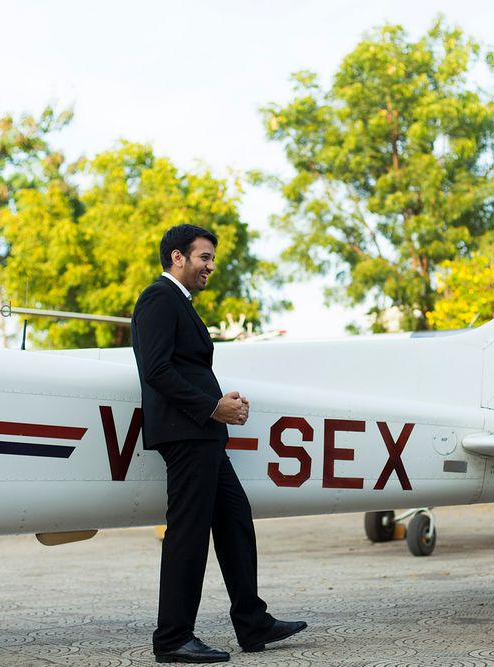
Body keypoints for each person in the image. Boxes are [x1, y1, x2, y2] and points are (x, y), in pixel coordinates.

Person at [131, 224, 307, 663]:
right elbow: (155, 370)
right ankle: (172, 638)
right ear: (177, 257)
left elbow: (182, 368)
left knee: (234, 519)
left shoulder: (180, 303)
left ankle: (252, 622)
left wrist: (219, 407)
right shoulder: (159, 298)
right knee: (188, 533)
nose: (211, 265)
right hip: (186, 433)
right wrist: (212, 407)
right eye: (204, 257)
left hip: (202, 434)